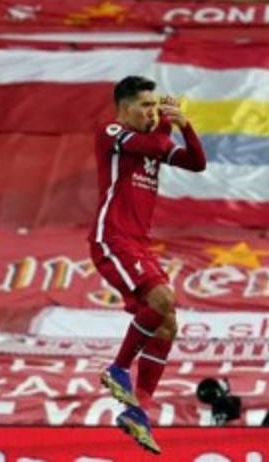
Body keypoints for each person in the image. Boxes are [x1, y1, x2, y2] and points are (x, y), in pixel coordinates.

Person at [91, 75, 206, 454]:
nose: (152, 112)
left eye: (155, 106)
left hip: (139, 244)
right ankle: (118, 368)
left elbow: (197, 163)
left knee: (168, 321)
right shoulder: (112, 133)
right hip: (112, 238)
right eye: (145, 105)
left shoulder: (151, 141)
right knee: (162, 299)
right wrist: (167, 123)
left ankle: (137, 411)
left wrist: (185, 125)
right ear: (125, 108)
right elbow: (155, 143)